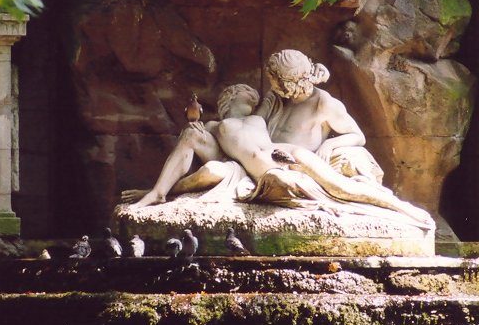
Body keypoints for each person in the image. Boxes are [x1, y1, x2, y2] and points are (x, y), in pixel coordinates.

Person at [125, 84, 434, 230]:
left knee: (343, 189)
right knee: (190, 135)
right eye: (246, 94)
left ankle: (402, 209)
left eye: (256, 96)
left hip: (292, 159)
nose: (254, 97)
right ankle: (158, 194)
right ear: (229, 99)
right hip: (266, 174)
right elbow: (192, 144)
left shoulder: (260, 115)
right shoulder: (215, 128)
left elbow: (275, 94)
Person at [256, 49, 384, 184]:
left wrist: (329, 144)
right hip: (264, 159)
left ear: (288, 83)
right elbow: (253, 124)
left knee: (357, 157)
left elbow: (358, 136)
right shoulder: (278, 97)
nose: (272, 85)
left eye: (274, 80)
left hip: (296, 168)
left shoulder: (324, 104)